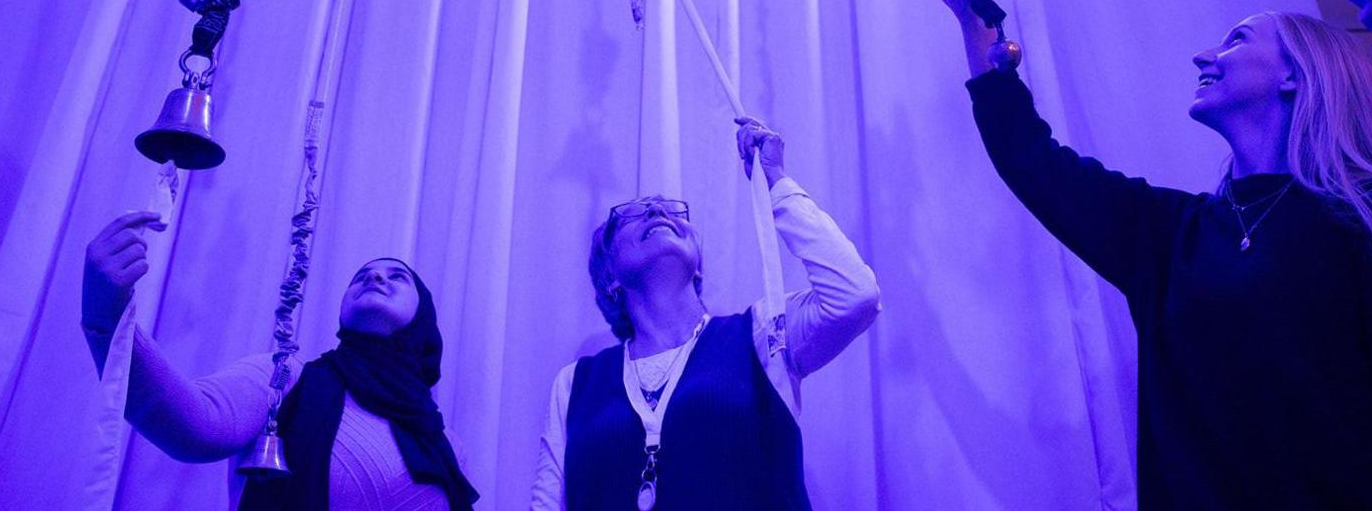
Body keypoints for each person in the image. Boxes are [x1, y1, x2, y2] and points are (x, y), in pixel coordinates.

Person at [930, 0, 1372, 509]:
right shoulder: (1172, 237)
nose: (1204, 56)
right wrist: (973, 24)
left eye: (1236, 40)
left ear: (1294, 75)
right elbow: (1033, 161)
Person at [530, 117, 880, 510]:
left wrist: (776, 184)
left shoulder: (762, 336)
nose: (658, 212)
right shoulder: (574, 383)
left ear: (697, 264)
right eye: (636, 212)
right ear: (609, 274)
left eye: (670, 210)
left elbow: (855, 296)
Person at [82, 216, 477, 510]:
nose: (375, 279)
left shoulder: (443, 443)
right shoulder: (284, 377)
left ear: (423, 316)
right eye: (363, 276)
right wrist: (107, 315)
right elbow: (192, 427)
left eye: (397, 277)